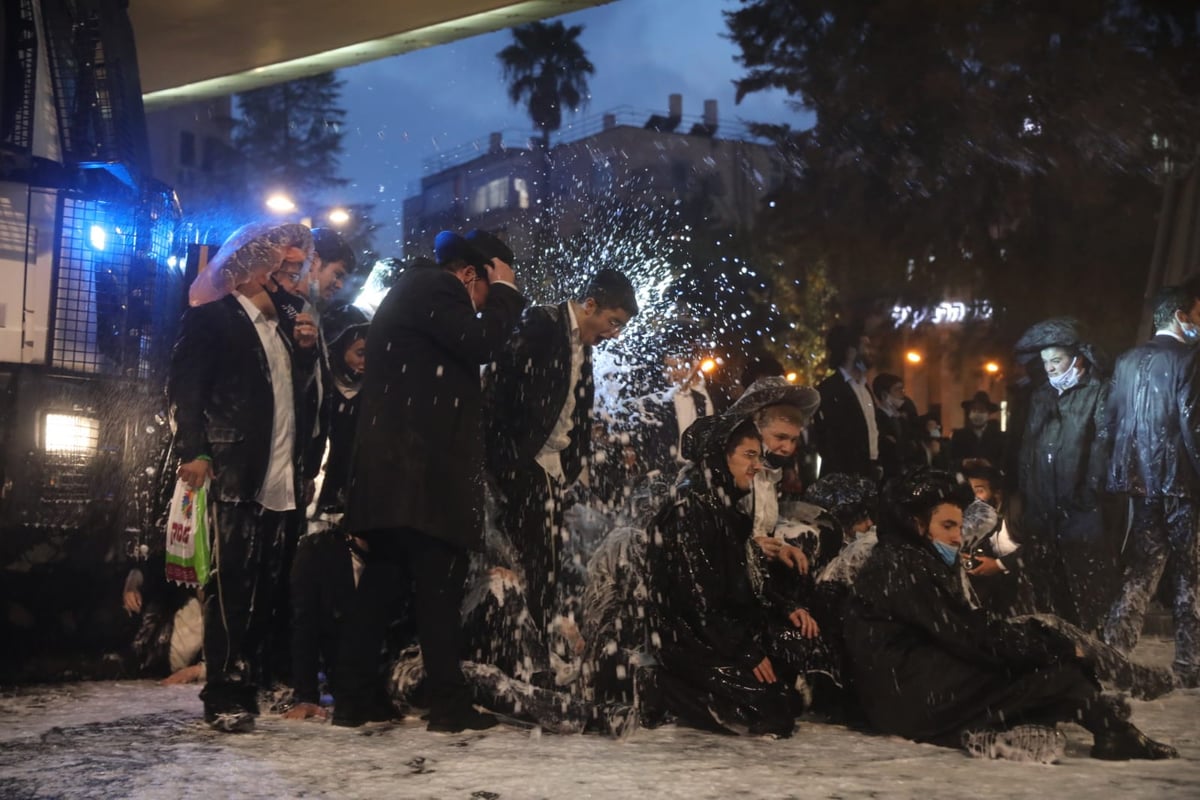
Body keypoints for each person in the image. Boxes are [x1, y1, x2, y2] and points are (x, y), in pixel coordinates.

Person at [842, 468, 1176, 763]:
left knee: (1041, 664)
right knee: (1053, 673)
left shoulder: (908, 559)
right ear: (916, 524)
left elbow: (963, 629)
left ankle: (1105, 725)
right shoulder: (901, 566)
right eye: (947, 526)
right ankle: (1112, 730)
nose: (957, 538)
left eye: (958, 526)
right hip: (908, 698)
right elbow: (966, 633)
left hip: (909, 688)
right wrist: (1046, 648)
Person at [340, 232, 525, 732]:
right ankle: (448, 703)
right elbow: (482, 342)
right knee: (438, 588)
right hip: (420, 480)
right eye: (487, 289)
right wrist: (506, 292)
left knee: (383, 588)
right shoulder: (438, 288)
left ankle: (354, 698)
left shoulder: (411, 292)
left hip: (397, 479)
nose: (485, 304)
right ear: (470, 274)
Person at [167, 223, 318, 732]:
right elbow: (186, 389)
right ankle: (224, 692)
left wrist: (307, 348)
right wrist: (196, 450)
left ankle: (257, 680)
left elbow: (302, 403)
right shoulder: (212, 319)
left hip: (281, 475)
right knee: (231, 585)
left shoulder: (286, 330)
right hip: (233, 471)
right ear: (255, 272)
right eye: (284, 269)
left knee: (269, 584)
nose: (291, 280)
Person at [641, 415, 838, 737]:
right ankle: (660, 688)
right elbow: (697, 600)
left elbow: (740, 577)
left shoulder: (723, 507)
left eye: (759, 456)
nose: (758, 466)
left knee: (792, 680)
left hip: (718, 632)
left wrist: (785, 607)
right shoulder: (689, 509)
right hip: (687, 639)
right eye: (749, 456)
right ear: (719, 457)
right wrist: (746, 651)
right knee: (766, 714)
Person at [483, 262, 638, 657]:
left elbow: (579, 411)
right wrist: (510, 460)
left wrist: (571, 465)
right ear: (590, 304)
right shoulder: (541, 322)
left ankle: (535, 648)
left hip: (552, 468)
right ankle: (520, 652)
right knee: (530, 563)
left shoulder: (583, 345)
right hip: (525, 463)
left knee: (546, 563)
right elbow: (500, 387)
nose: (614, 333)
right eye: (613, 321)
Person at [1103, 285, 1200, 688]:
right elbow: (1193, 423)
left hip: (1139, 482)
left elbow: (1109, 422)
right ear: (1180, 315)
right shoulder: (1190, 358)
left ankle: (1113, 650)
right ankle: (1190, 662)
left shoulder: (1126, 360)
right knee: (1189, 571)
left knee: (1142, 568)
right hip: (1181, 482)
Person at [1015, 318, 1114, 632]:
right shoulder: (1041, 395)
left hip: (1080, 510)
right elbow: (1028, 447)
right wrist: (1027, 494)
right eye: (1045, 362)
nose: (1050, 368)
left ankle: (1089, 648)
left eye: (1056, 360)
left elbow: (1102, 446)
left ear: (1077, 359)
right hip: (1042, 508)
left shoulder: (1098, 392)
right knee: (1047, 584)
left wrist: (1088, 494)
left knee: (1084, 584)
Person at [311, 304, 369, 517]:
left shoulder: (369, 392)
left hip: (346, 498)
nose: (365, 362)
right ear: (339, 348)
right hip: (314, 490)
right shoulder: (322, 387)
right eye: (360, 353)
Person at [960, 460, 1029, 617]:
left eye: (979, 491)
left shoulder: (1018, 507)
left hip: (1028, 585)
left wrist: (999, 564)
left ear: (997, 493)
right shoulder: (982, 516)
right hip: (1002, 589)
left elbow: (1035, 546)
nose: (976, 498)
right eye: (972, 492)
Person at [812, 325, 879, 479]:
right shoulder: (829, 390)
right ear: (850, 352)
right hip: (845, 477)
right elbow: (827, 440)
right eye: (866, 346)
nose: (870, 352)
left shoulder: (864, 388)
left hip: (869, 472)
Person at [873, 373, 921, 479]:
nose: (902, 394)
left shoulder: (902, 419)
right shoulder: (876, 419)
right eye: (897, 390)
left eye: (902, 390)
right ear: (884, 394)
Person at [949, 391, 1006, 471]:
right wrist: (963, 463)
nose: (977, 414)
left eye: (981, 410)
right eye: (974, 410)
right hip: (965, 480)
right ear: (969, 413)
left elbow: (1004, 463)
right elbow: (950, 462)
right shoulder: (959, 435)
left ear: (988, 413)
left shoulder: (999, 437)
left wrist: (990, 465)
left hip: (990, 480)